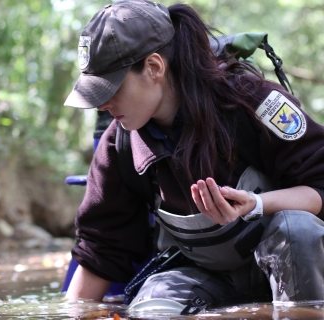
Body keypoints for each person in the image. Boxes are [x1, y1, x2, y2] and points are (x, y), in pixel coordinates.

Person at [63, 0, 324, 308]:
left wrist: (255, 205)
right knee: (153, 308)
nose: (100, 105)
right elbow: (103, 247)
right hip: (207, 277)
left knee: (299, 230)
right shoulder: (118, 145)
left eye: (109, 89)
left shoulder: (253, 103)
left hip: (292, 266)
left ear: (154, 67)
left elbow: (320, 186)